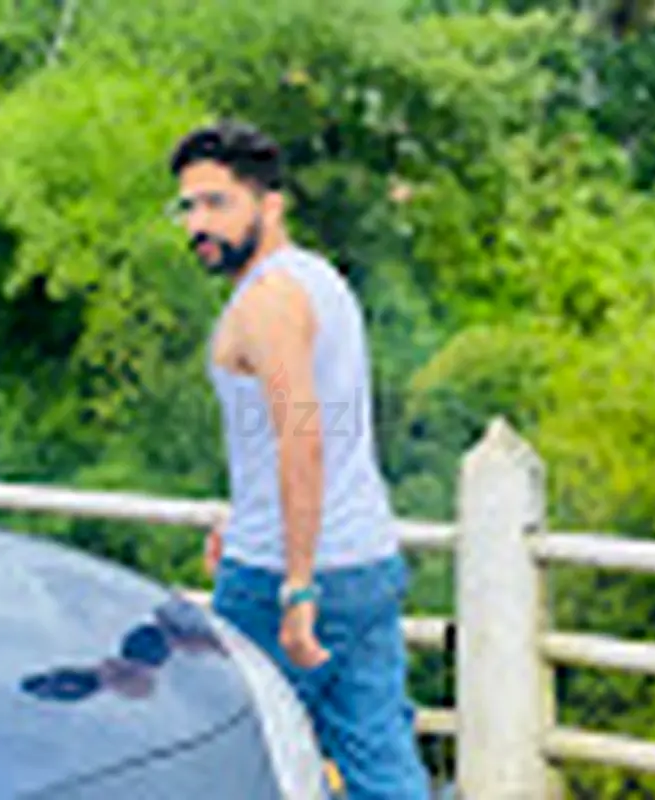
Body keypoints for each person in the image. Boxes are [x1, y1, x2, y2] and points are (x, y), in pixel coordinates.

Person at [167, 119, 431, 799]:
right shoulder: (319, 281)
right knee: (382, 767)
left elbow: (302, 437)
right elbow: (326, 425)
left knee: (241, 768)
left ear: (271, 205)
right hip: (364, 560)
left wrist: (299, 585)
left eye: (217, 203)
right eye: (188, 207)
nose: (199, 224)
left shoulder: (267, 300)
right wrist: (246, 510)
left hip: (281, 577)